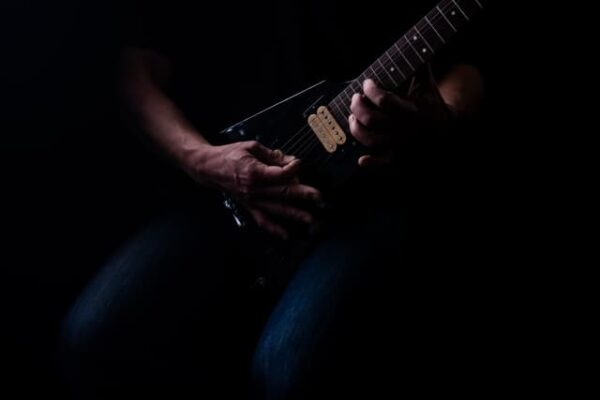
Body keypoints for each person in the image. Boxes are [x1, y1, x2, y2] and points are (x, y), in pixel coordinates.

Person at [59, 0, 485, 398]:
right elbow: (137, 72)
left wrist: (435, 120)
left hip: (363, 203)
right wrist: (203, 161)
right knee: (92, 336)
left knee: (283, 371)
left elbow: (467, 65)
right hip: (219, 192)